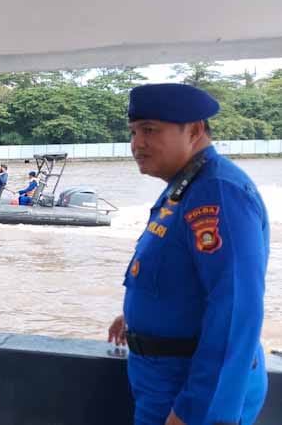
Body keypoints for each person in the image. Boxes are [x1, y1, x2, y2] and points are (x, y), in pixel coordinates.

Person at [107, 84, 269, 425]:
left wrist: (196, 410)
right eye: (134, 132)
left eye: (150, 130)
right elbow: (176, 272)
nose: (137, 143)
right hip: (161, 381)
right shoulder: (184, 187)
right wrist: (137, 319)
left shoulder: (218, 191)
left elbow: (236, 308)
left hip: (189, 391)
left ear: (194, 130)